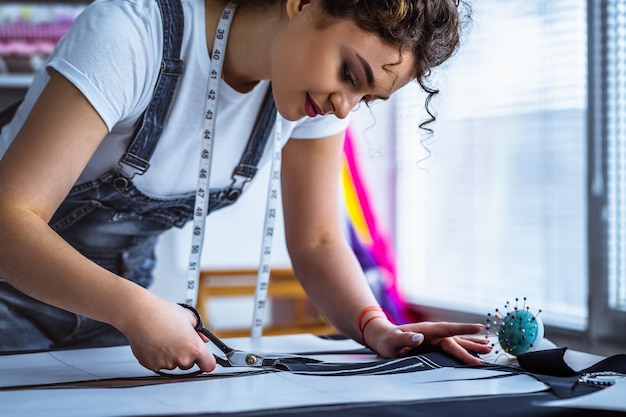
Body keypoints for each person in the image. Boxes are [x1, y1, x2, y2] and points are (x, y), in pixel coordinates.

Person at [0, 0, 491, 374]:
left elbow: (318, 242)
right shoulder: (133, 33)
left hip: (108, 315)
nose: (346, 107)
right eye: (350, 74)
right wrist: (134, 310)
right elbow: (8, 219)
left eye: (366, 97)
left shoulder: (311, 98)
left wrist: (377, 328)